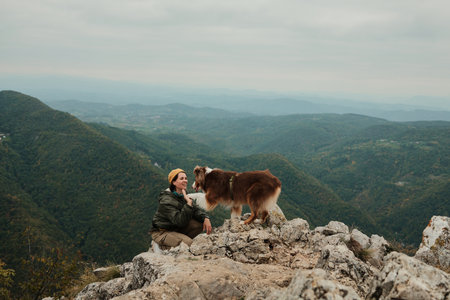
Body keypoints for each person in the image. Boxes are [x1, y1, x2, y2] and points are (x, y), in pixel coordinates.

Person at [150, 168, 212, 249]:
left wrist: (205, 218)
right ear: (174, 182)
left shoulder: (182, 193)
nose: (185, 180)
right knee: (188, 243)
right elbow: (179, 221)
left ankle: (177, 240)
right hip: (162, 232)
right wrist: (188, 205)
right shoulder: (167, 200)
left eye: (186, 178)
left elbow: (195, 209)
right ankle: (163, 245)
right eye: (181, 178)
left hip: (174, 228)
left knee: (199, 224)